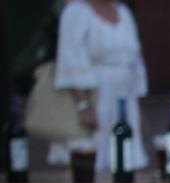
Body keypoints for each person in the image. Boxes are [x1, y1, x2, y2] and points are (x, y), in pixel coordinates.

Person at [48, 0, 148, 172]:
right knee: (89, 161)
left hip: (124, 98)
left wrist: (138, 108)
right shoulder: (76, 11)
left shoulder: (123, 11)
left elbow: (135, 60)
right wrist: (83, 105)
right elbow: (69, 58)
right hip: (93, 96)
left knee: (128, 159)